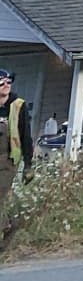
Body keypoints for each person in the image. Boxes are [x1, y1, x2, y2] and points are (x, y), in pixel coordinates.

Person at [0, 66, 34, 212]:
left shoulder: (18, 105)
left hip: (8, 158)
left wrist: (28, 165)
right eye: (2, 83)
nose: (6, 85)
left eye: (9, 81)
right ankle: (8, 223)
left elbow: (26, 135)